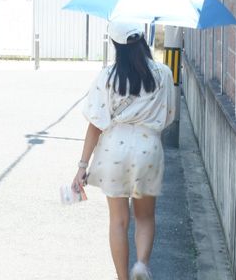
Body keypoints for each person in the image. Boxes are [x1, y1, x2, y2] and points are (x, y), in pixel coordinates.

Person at [72, 20, 175, 280]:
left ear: (116, 45)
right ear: (141, 40)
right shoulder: (162, 73)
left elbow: (96, 124)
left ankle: (122, 278)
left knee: (118, 220)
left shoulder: (107, 77)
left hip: (113, 151)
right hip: (148, 149)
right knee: (145, 217)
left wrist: (82, 167)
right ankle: (141, 264)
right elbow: (170, 116)